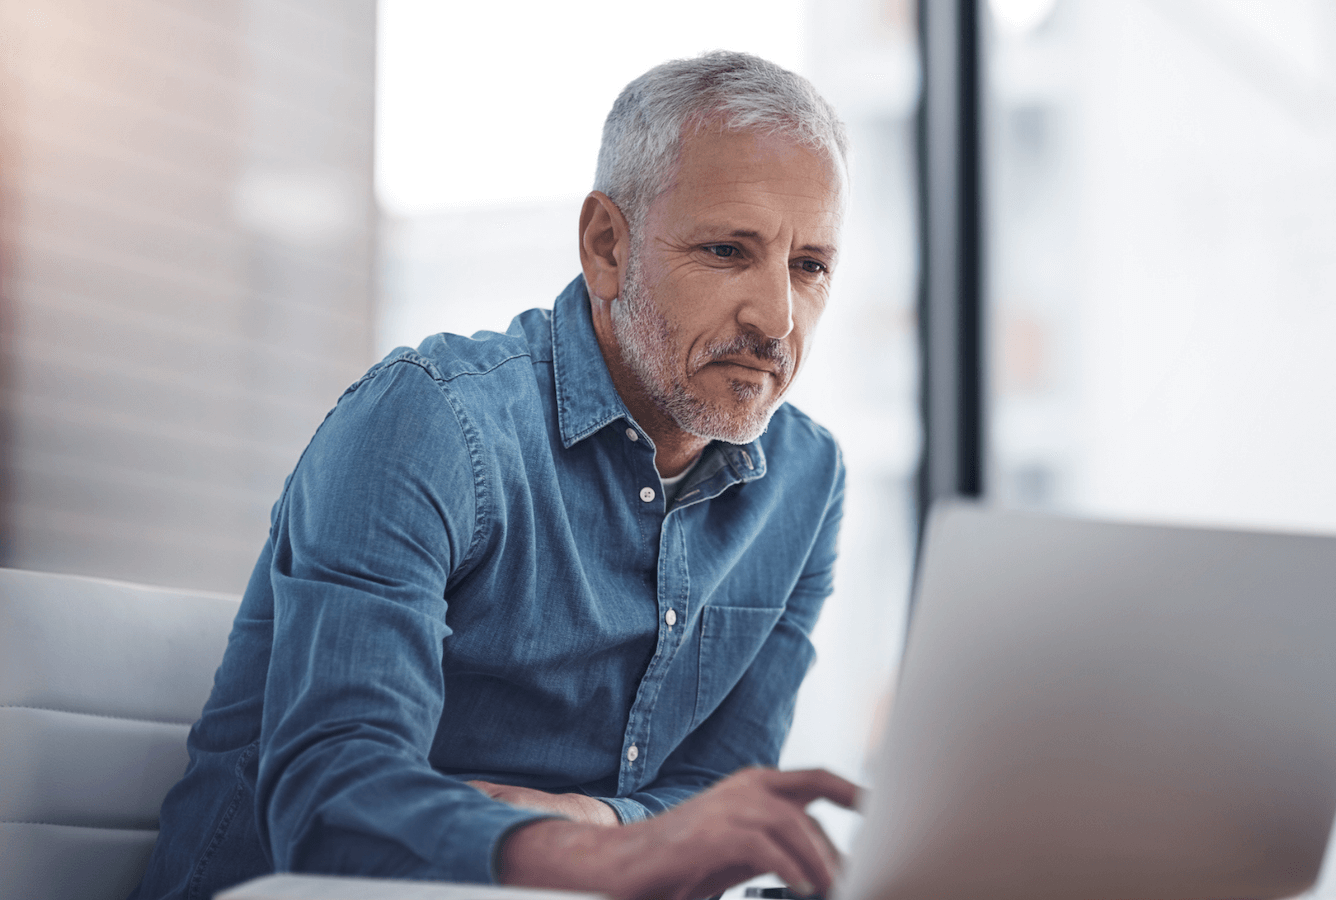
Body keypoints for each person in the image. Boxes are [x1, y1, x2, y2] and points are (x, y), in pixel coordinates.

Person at [130, 51, 858, 900]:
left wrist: (602, 825)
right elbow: (332, 802)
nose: (777, 318)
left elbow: (721, 791)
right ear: (606, 247)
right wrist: (613, 855)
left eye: (809, 266)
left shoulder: (807, 481)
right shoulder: (429, 423)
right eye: (728, 250)